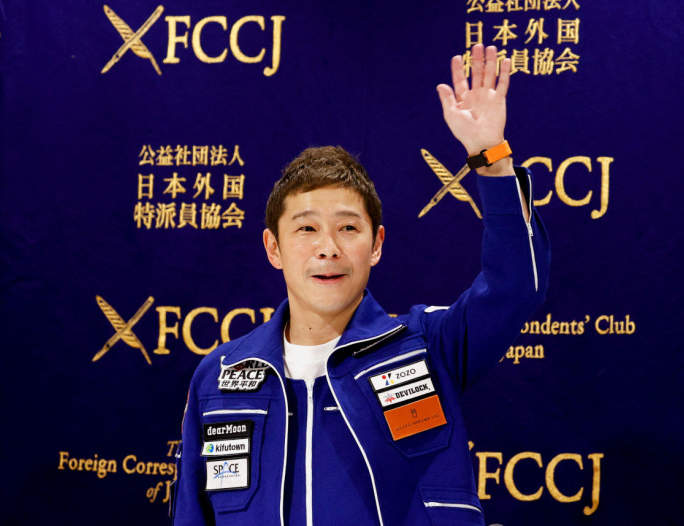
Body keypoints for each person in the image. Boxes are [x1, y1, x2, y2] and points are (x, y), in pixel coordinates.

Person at [171, 44, 550, 526]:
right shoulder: (219, 378)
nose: (328, 247)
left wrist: (490, 159)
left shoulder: (428, 347)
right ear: (273, 248)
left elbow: (515, 286)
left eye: (348, 228)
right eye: (306, 229)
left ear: (376, 245)